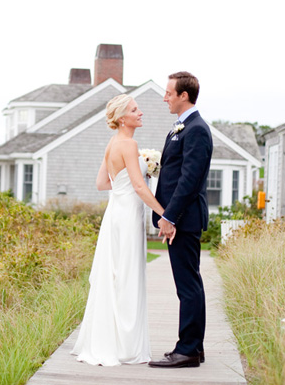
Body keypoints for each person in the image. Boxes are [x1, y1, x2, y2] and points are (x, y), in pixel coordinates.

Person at [71, 93, 166, 366]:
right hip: (127, 217)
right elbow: (139, 187)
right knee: (127, 276)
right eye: (135, 110)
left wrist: (127, 182)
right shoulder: (129, 144)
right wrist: (165, 213)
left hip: (115, 213)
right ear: (122, 117)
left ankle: (109, 339)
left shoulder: (112, 144)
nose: (141, 113)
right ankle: (125, 346)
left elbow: (102, 183)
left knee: (115, 275)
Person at [148, 71, 213, 369]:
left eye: (169, 93)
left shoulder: (196, 130)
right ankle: (194, 347)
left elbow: (189, 179)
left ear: (183, 95)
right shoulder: (182, 128)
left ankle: (187, 349)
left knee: (188, 287)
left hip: (183, 220)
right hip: (180, 219)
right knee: (189, 285)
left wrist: (169, 216)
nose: (165, 98)